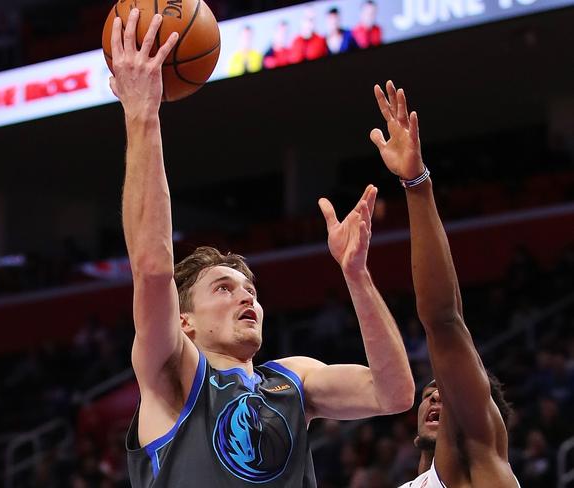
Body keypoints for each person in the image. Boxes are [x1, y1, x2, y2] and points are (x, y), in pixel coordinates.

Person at [108, 12, 414, 487]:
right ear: (184, 321)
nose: (246, 297)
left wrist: (357, 275)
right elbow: (152, 270)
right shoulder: (174, 374)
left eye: (249, 289)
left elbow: (394, 393)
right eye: (224, 289)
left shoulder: (292, 381)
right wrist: (142, 113)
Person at [369, 80, 520, 487]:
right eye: (429, 393)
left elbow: (444, 320)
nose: (436, 395)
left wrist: (416, 184)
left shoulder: (479, 458)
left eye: (446, 391)